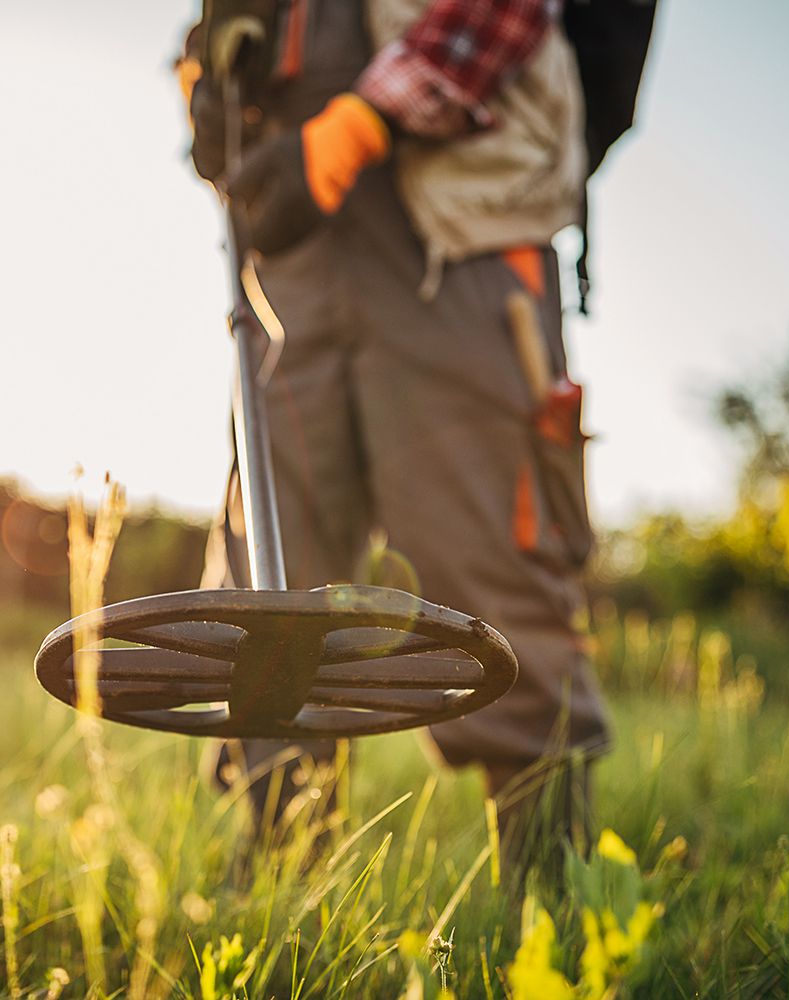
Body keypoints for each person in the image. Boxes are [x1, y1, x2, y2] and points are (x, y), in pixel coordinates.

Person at [184, 0, 631, 865]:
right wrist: (202, 83)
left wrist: (358, 125)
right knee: (273, 573)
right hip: (294, 262)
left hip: (458, 238)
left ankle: (554, 904)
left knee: (495, 558)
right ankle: (284, 890)